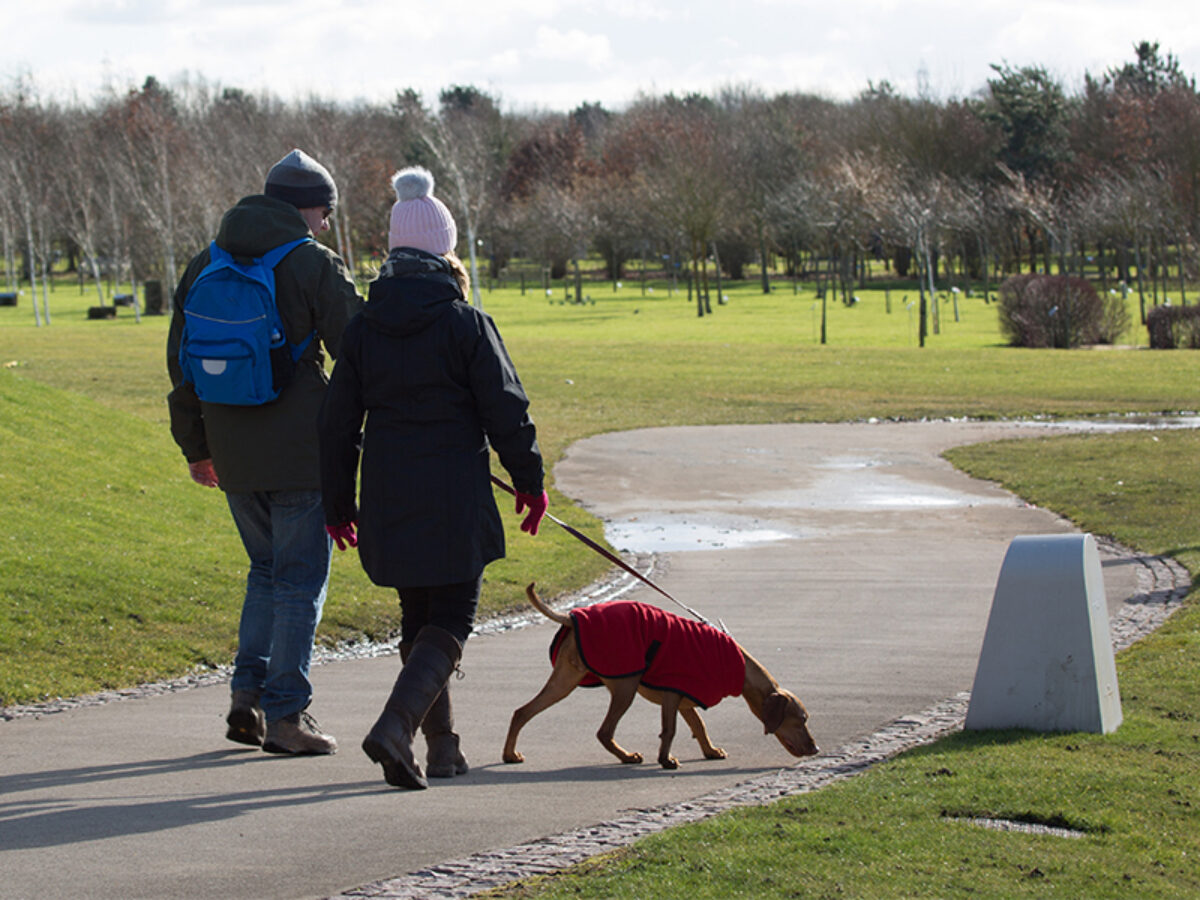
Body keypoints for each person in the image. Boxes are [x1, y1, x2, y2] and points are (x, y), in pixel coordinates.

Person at [318, 166, 547, 790]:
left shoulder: (363, 328)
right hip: (453, 492)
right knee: (451, 614)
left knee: (418, 616)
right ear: (445, 250)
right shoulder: (465, 322)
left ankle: (442, 747)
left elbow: (336, 425)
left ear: (394, 251)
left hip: (389, 491)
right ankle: (396, 728)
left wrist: (337, 503)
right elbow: (508, 408)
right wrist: (529, 480)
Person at [167, 149, 363, 755]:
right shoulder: (312, 263)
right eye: (325, 211)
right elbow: (357, 354)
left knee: (265, 572)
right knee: (300, 583)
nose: (327, 223)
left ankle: (245, 698)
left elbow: (179, 363)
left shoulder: (207, 261)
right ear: (306, 209)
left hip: (231, 451)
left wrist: (196, 448)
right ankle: (287, 715)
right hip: (301, 450)